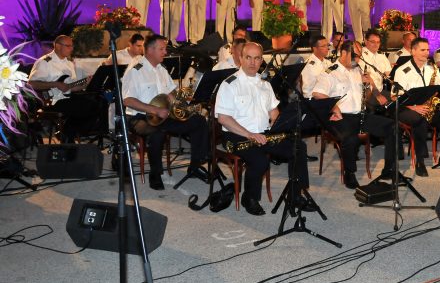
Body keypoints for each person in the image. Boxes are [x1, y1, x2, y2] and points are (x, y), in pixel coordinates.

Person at [215, 42, 312, 215]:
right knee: (260, 160)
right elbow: (223, 118)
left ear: (261, 61)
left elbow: (274, 113)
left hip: (263, 133)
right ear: (240, 58)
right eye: (248, 58)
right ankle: (249, 198)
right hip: (236, 135)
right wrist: (249, 134)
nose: (252, 62)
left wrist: (280, 127)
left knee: (298, 146)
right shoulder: (229, 84)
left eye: (257, 58)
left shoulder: (265, 85)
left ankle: (295, 195)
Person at [121, 34, 209, 190]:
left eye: (164, 49)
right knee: (156, 133)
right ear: (149, 50)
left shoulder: (161, 69)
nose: (165, 52)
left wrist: (181, 96)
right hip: (139, 117)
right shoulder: (135, 70)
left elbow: (171, 92)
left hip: (163, 114)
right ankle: (155, 173)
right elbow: (127, 101)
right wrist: (155, 109)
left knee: (199, 121)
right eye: (161, 49)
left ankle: (195, 166)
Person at [312, 40, 397, 188]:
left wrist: (369, 84)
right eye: (355, 56)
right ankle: (349, 173)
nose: (357, 59)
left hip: (360, 114)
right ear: (343, 53)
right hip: (340, 117)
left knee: (392, 126)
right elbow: (317, 94)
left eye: (359, 56)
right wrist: (334, 107)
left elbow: (366, 96)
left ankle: (389, 169)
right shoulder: (330, 72)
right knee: (350, 139)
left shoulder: (358, 70)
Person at [393, 37, 440, 176]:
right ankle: (420, 160)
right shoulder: (402, 71)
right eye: (423, 50)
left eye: (428, 49)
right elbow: (395, 97)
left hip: (427, 107)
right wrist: (414, 107)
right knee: (420, 120)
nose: (426, 52)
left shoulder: (431, 69)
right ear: (413, 51)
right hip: (407, 108)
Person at [28, 35, 104, 142]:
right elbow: (31, 83)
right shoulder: (45, 62)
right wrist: (55, 84)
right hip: (52, 102)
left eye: (72, 46)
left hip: (67, 99)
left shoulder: (69, 63)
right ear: (57, 46)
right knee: (87, 106)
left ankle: (68, 133)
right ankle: (68, 133)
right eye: (68, 46)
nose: (71, 49)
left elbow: (70, 87)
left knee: (97, 104)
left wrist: (84, 84)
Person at [360, 29, 392, 110]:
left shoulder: (381, 56)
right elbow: (367, 78)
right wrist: (378, 95)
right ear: (366, 41)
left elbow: (388, 74)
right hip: (368, 93)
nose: (376, 44)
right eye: (373, 42)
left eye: (378, 42)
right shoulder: (361, 55)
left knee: (400, 99)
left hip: (381, 89)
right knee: (393, 106)